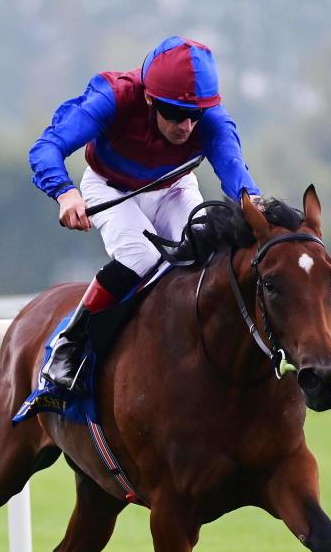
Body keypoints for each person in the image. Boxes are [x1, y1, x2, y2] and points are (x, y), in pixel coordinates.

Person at [29, 36, 260, 391]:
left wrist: (254, 203)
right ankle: (70, 344)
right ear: (150, 98)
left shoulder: (212, 118)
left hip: (174, 187)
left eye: (195, 116)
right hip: (110, 187)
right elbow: (47, 146)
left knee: (206, 257)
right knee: (141, 257)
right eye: (176, 114)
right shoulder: (114, 96)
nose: (186, 126)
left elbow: (233, 169)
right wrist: (65, 191)